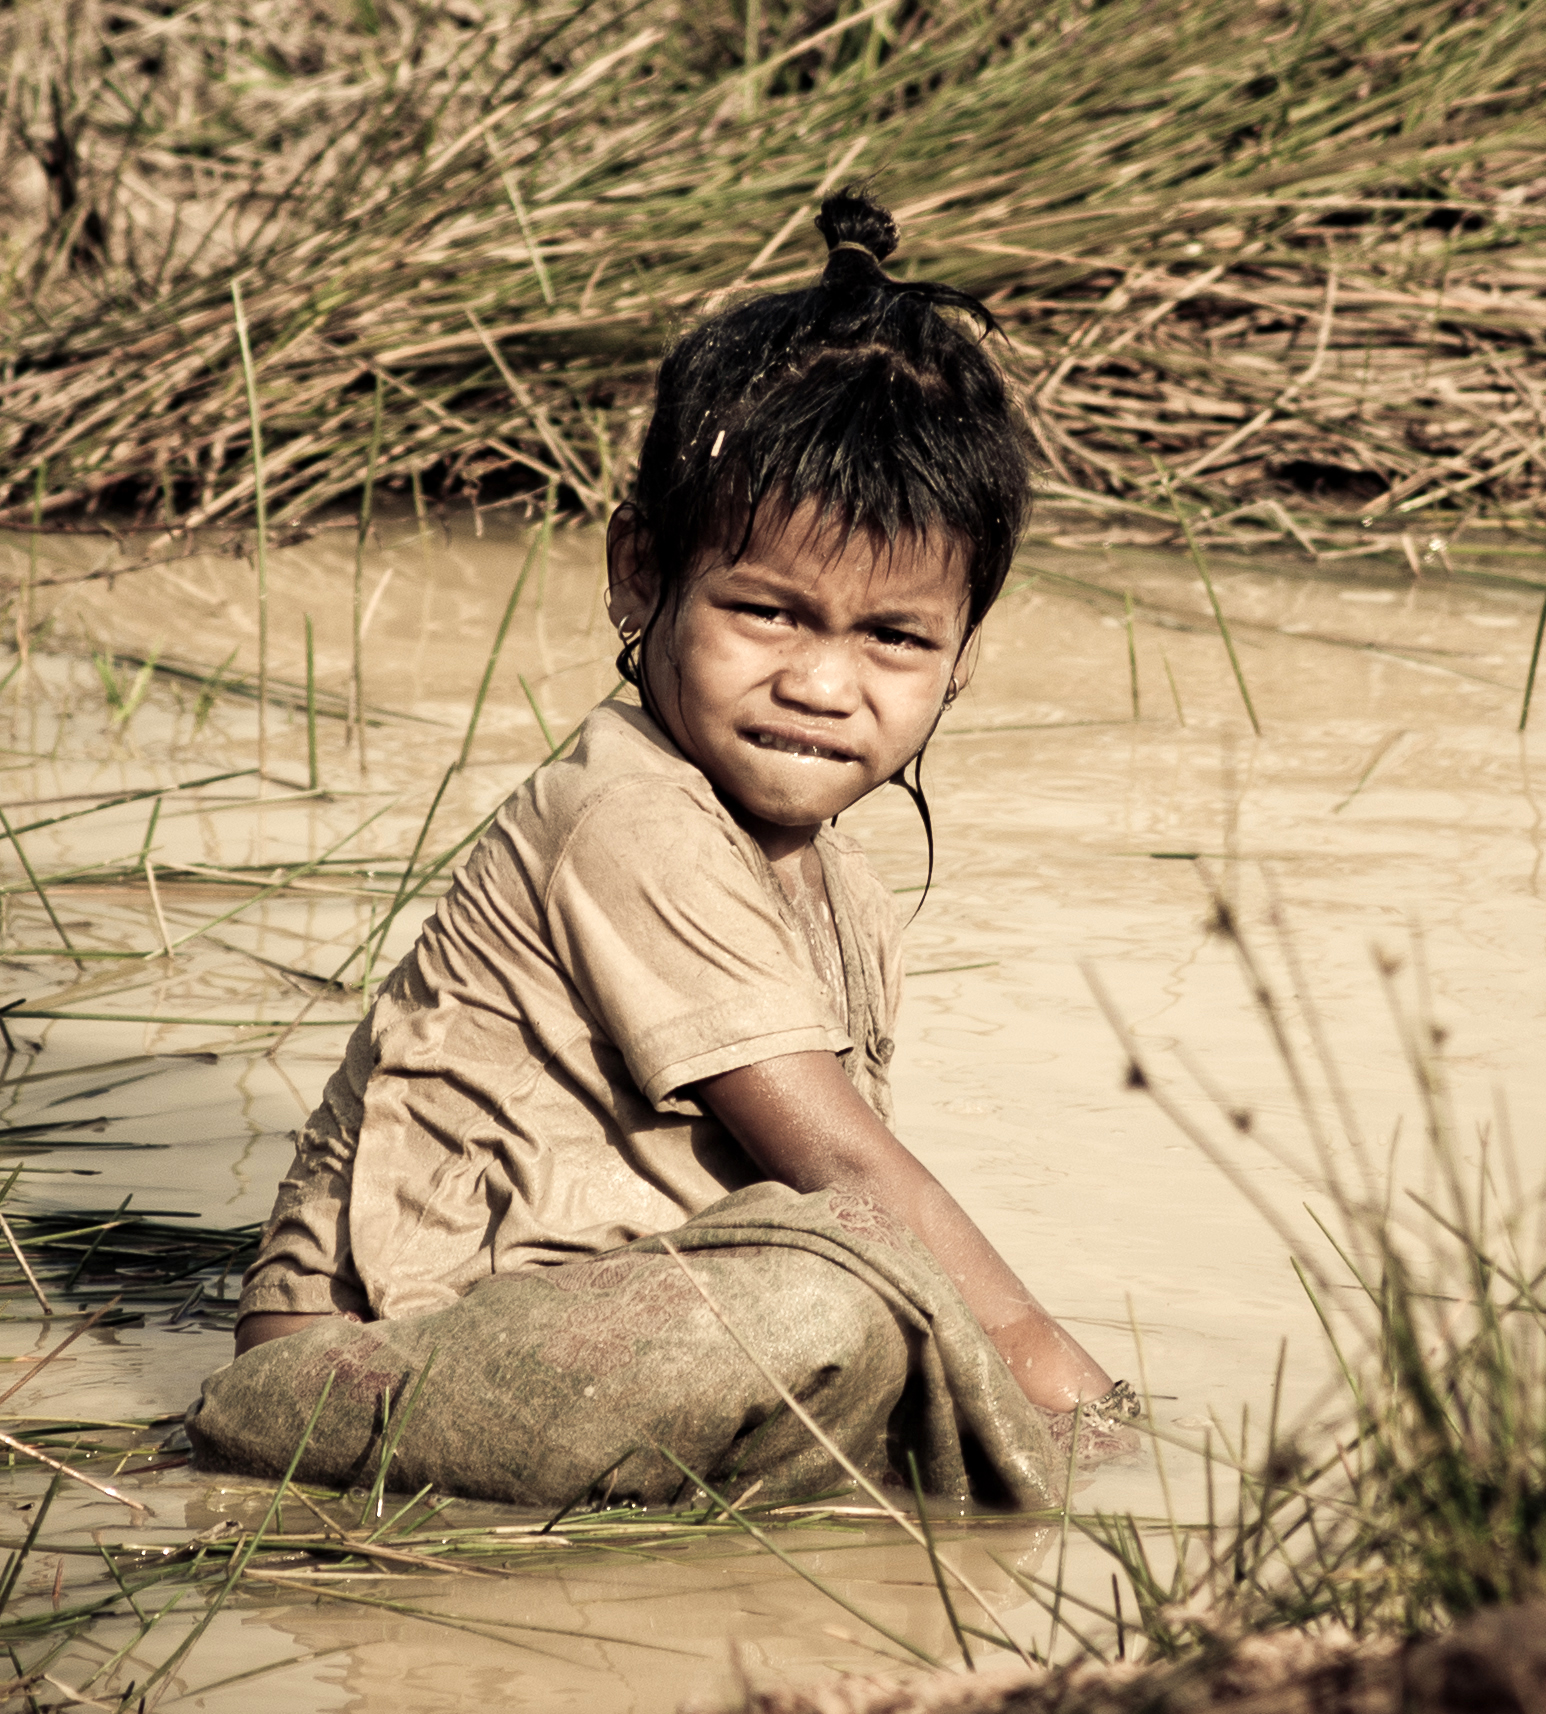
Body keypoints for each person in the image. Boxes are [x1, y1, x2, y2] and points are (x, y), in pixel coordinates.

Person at [189, 190, 1131, 1511]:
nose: (822, 681)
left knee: (854, 1316)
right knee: (840, 1305)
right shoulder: (629, 810)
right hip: (363, 1370)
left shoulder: (840, 889)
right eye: (766, 610)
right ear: (640, 573)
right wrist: (1080, 1403)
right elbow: (853, 1177)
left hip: (600, 1343)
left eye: (893, 638)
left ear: (962, 657)